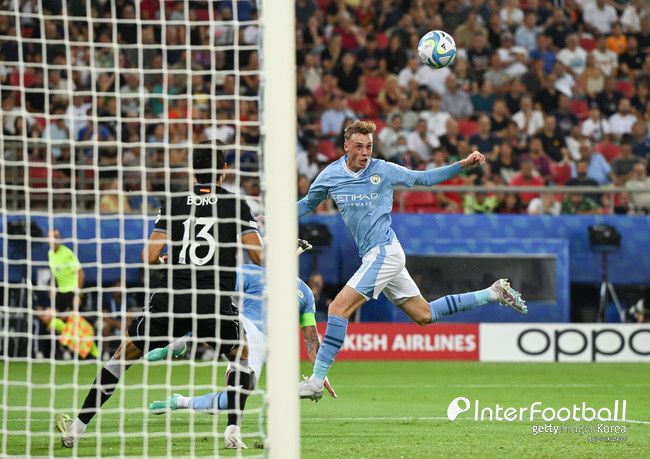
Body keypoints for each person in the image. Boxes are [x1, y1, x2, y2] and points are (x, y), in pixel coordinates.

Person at [296, 121, 527, 401]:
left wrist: (462, 165)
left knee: (337, 308)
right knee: (424, 315)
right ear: (346, 146)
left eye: (369, 146)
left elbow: (423, 179)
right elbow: (308, 203)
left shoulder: (383, 170)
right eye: (359, 146)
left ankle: (316, 381)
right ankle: (492, 293)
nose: (365, 152)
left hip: (384, 252)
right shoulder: (331, 175)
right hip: (377, 255)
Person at [57, 140, 263, 449]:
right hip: (212, 302)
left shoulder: (175, 201)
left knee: (121, 358)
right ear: (224, 169)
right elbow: (259, 257)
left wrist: (170, 256)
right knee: (241, 358)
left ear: (193, 170)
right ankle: (233, 430)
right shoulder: (236, 205)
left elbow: (149, 255)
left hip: (172, 299)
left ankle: (77, 427)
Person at [147, 263, 337, 414]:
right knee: (207, 302)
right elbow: (218, 290)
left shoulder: (305, 292)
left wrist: (319, 375)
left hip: (261, 345)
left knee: (232, 400)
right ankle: (178, 343)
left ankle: (178, 402)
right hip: (243, 327)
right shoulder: (253, 273)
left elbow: (311, 338)